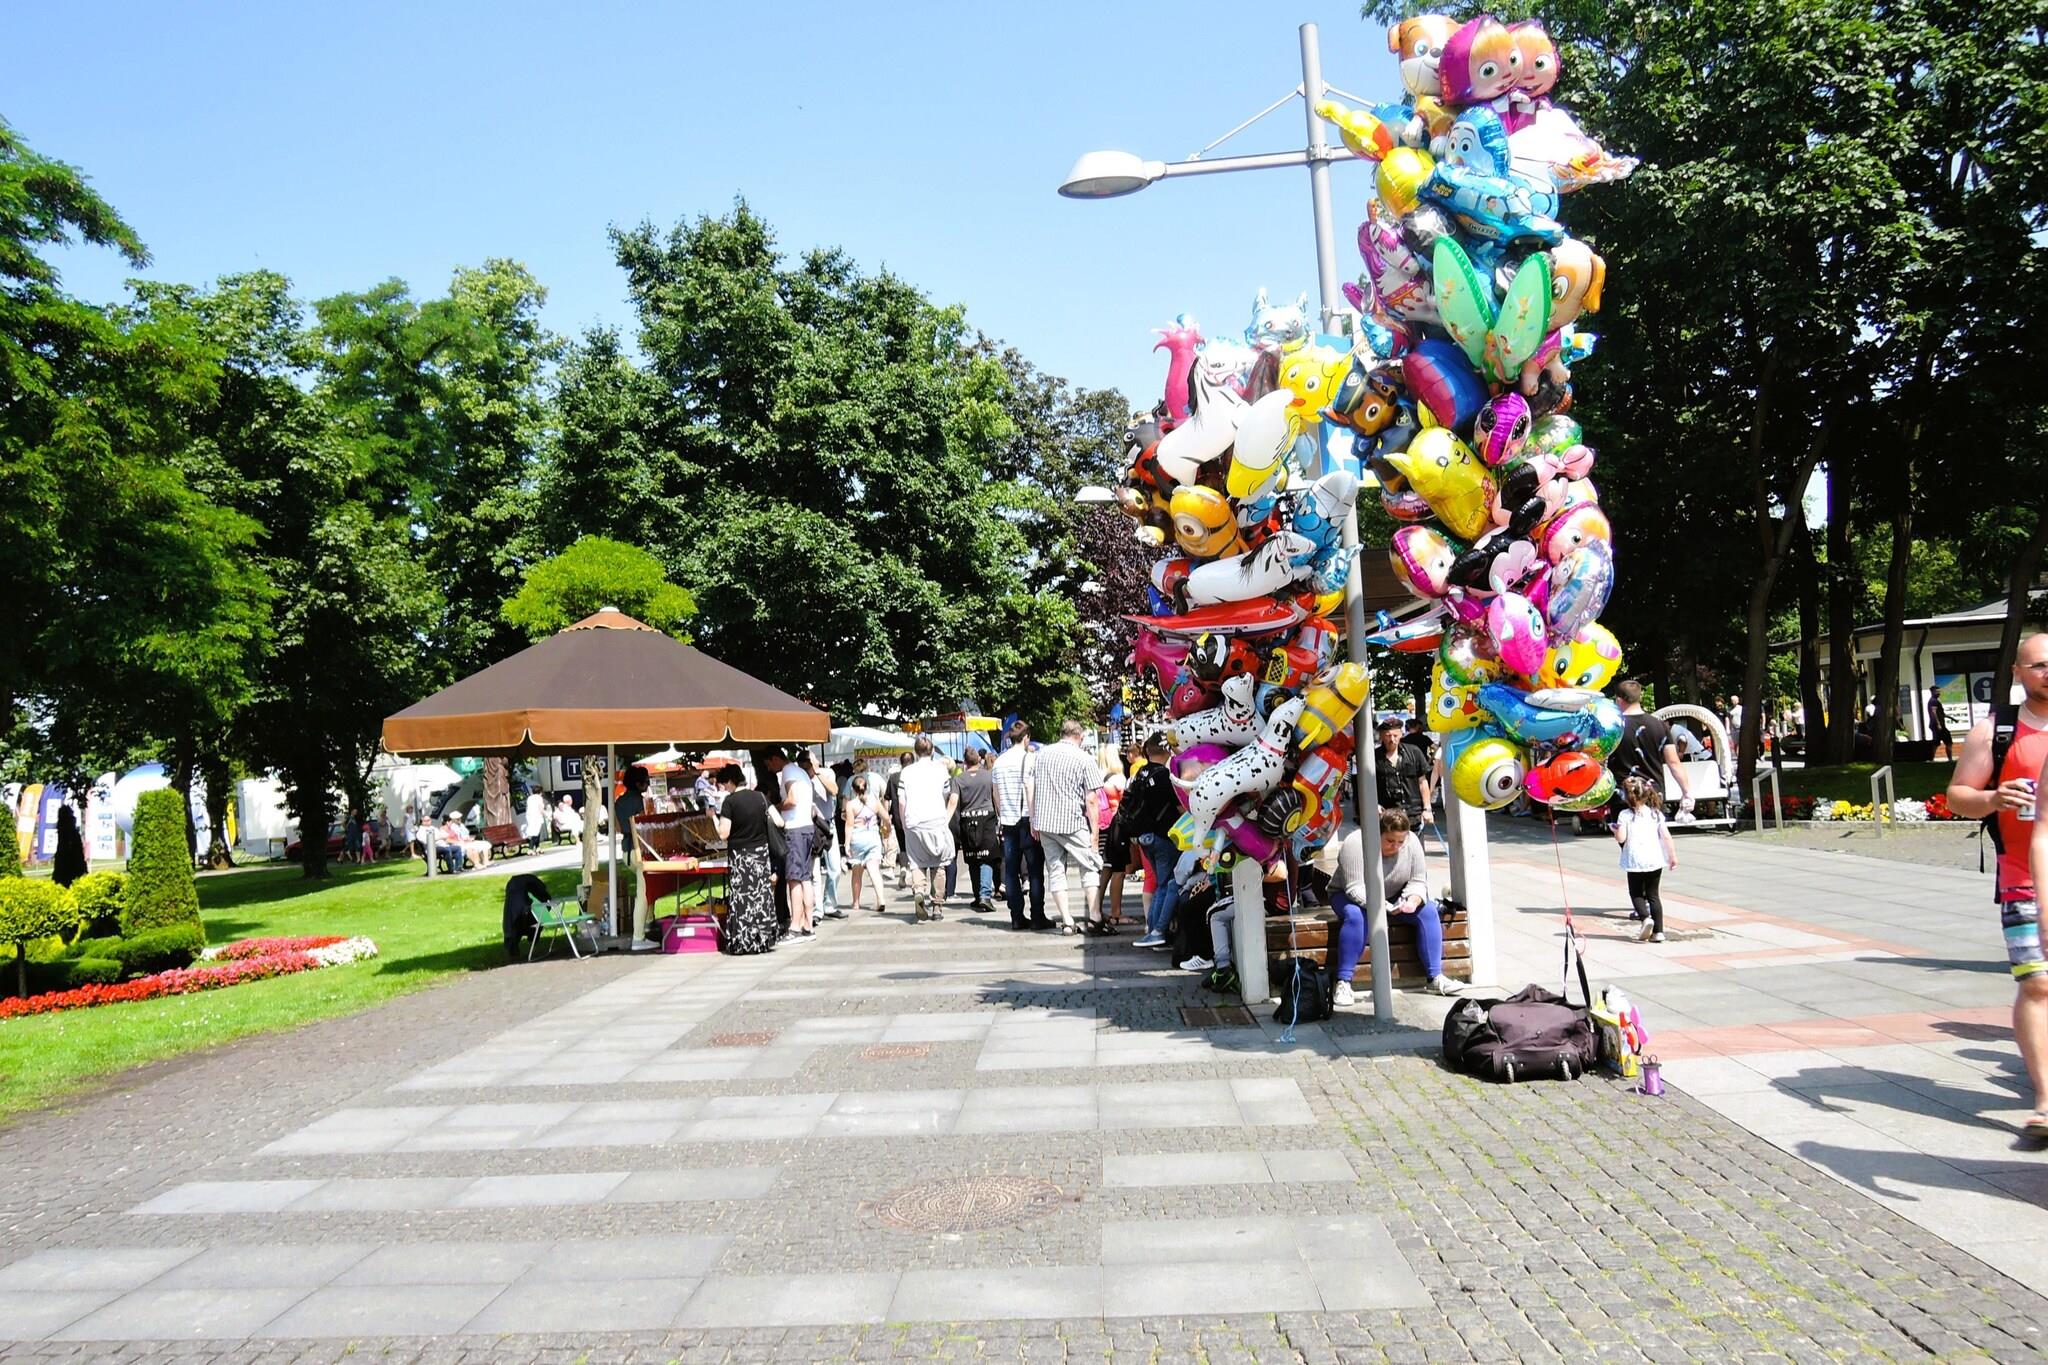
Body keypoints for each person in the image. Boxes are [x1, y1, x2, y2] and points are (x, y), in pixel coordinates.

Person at [1950, 634, 2048, 1139]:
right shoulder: (1996, 731)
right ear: (2017, 672)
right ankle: (2046, 1101)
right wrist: (1992, 798)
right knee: (2037, 983)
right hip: (2022, 878)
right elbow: (1957, 796)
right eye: (2040, 665)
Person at [1332, 810, 1457, 1005]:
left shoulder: (1412, 842)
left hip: (1394, 894)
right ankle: (1343, 981)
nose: (1396, 846)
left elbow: (1418, 881)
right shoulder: (1355, 843)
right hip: (1349, 895)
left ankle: (1435, 977)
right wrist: (1385, 907)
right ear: (1377, 833)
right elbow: (1354, 888)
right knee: (1356, 916)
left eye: (1400, 841)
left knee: (1428, 911)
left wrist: (1413, 900)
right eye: (1390, 841)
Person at [1029, 719, 1108, 935]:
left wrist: (1033, 819)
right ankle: (1095, 917)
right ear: (1080, 736)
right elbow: (1091, 799)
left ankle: (1066, 921)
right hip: (1072, 821)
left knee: (1055, 870)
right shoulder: (1084, 758)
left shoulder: (1041, 755)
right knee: (1089, 866)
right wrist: (1094, 834)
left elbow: (1032, 787)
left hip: (1045, 821)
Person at [1124, 736, 1184, 951]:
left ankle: (1153, 931)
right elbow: (1180, 808)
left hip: (1144, 837)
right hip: (1163, 836)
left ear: (1147, 752)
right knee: (1168, 885)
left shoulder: (1139, 774)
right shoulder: (1165, 776)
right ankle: (1158, 931)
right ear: (1166, 751)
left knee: (1160, 885)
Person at [711, 765, 779, 954]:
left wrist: (714, 818)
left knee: (743, 898)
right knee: (761, 896)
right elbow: (779, 821)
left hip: (740, 857)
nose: (724, 788)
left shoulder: (730, 802)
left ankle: (743, 941)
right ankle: (763, 939)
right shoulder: (760, 797)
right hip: (761, 855)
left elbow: (724, 834)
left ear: (730, 781)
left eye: (724, 784)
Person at [1608, 681, 1693, 823]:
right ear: (1640, 697)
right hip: (1653, 792)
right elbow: (1673, 762)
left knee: (1626, 835)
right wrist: (1687, 792)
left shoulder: (1612, 728)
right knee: (1654, 834)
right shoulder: (1659, 725)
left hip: (1624, 794)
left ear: (1618, 700)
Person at [993, 722, 1048, 930]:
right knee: (1034, 870)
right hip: (1028, 820)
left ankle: (1016, 916)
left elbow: (996, 793)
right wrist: (1035, 819)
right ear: (1026, 738)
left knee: (1011, 871)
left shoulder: (999, 762)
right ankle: (1038, 916)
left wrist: (1002, 814)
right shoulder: (1031, 759)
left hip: (1008, 822)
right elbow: (1035, 789)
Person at [896, 735, 957, 921]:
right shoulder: (941, 770)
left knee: (916, 862)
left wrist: (904, 823)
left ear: (915, 752)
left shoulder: (906, 772)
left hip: (914, 822)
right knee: (939, 864)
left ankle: (919, 891)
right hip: (936, 821)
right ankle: (937, 906)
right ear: (932, 751)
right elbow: (947, 794)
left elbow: (901, 801)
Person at [1613, 776, 1678, 942]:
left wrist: (1615, 831)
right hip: (1654, 859)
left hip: (1634, 860)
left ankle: (1645, 917)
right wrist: (1672, 856)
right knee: (1654, 895)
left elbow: (1621, 838)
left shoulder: (1624, 815)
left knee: (1636, 893)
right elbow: (1666, 837)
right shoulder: (1656, 813)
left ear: (1627, 797)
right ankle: (1659, 932)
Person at [765, 750, 817, 938]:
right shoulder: (801, 771)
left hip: (794, 828)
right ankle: (808, 924)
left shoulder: (788, 771)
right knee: (805, 877)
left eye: (769, 764)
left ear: (775, 758)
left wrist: (775, 807)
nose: (769, 769)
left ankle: (795, 926)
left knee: (794, 878)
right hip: (807, 827)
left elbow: (792, 799)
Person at [953, 748, 1001, 912]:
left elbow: (954, 801)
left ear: (965, 762)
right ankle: (985, 895)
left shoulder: (958, 779)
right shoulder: (988, 776)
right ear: (979, 760)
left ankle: (977, 895)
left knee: (972, 858)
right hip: (986, 819)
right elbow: (995, 797)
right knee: (987, 858)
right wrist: (1000, 815)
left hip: (967, 820)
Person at [800, 751, 845, 920]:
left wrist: (816, 773)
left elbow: (834, 790)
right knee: (815, 872)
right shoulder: (801, 778)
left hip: (828, 824)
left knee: (835, 868)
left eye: (811, 761)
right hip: (812, 825)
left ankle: (830, 904)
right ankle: (817, 909)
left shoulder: (826, 773)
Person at [842, 773, 893, 913]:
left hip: (857, 840)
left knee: (857, 872)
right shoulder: (874, 801)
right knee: (874, 870)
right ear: (866, 787)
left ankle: (856, 903)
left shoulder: (851, 805)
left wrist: (846, 844)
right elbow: (886, 818)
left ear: (853, 789)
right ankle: (881, 899)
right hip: (873, 839)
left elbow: (849, 825)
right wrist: (887, 831)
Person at [1373, 717, 1432, 835]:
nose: (1392, 739)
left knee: (1414, 844)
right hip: (1388, 815)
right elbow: (1369, 785)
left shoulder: (1414, 752)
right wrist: (1375, 805)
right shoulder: (1374, 757)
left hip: (1413, 814)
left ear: (1401, 734)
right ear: (1382, 736)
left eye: (1395, 735)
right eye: (1388, 736)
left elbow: (1422, 782)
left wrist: (1427, 808)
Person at [1095, 749, 1132, 927]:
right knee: (1118, 870)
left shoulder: (1098, 777)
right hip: (1116, 828)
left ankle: (1096, 908)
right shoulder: (1118, 778)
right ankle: (1116, 913)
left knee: (1106, 869)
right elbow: (1126, 802)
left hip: (1101, 827)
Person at [883, 751, 914, 889]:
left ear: (901, 763)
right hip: (914, 816)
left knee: (902, 845)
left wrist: (886, 817)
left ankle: (903, 868)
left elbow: (886, 798)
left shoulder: (894, 777)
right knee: (914, 846)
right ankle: (912, 872)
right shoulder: (915, 776)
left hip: (898, 817)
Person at [1927, 691, 1956, 761]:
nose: (1939, 693)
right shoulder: (1933, 701)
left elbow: (1942, 714)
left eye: (1939, 691)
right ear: (1932, 692)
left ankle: (1949, 759)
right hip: (1938, 726)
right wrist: (1938, 724)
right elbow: (1934, 712)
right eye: (1937, 692)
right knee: (1938, 743)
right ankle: (1932, 759)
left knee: (1944, 742)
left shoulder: (1935, 701)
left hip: (1939, 726)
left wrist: (1952, 718)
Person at [522, 789, 547, 853]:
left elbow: (527, 807)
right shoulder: (539, 798)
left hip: (529, 816)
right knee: (535, 833)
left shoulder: (529, 798)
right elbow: (540, 809)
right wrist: (546, 815)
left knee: (537, 832)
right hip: (537, 816)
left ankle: (538, 847)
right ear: (540, 792)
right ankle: (530, 849)